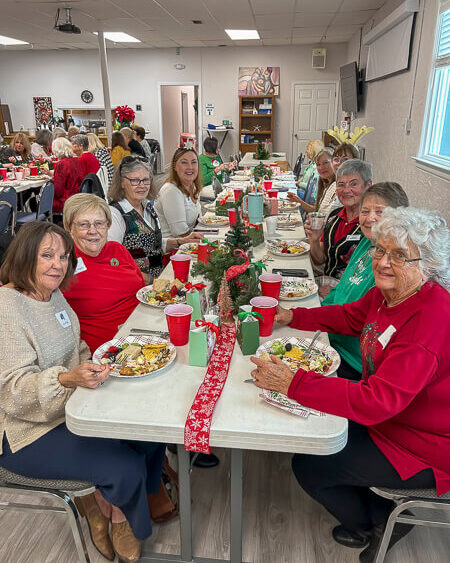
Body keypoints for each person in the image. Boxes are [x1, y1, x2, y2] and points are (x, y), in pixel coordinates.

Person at [250, 207, 450, 563]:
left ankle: (375, 523)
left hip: (421, 443)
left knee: (310, 465)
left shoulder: (429, 318)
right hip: (390, 419)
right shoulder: (392, 293)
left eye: (399, 256)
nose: (384, 262)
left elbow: (377, 401)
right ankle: (378, 509)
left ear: (429, 266)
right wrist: (294, 315)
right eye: (381, 250)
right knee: (314, 433)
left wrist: (293, 382)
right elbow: (349, 316)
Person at [0, 221, 167, 562]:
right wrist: (67, 380)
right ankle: (111, 515)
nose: (57, 264)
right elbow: (13, 392)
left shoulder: (53, 293)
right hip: (24, 432)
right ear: (25, 257)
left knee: (150, 434)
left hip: (71, 405)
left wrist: (93, 367)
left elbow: (74, 346)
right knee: (123, 465)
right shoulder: (8, 309)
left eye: (62, 256)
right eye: (46, 255)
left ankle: (117, 500)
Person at [322, 182, 409, 381]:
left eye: (380, 211)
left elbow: (361, 321)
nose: (370, 218)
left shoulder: (391, 266)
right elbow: (341, 288)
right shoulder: (365, 242)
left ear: (400, 216)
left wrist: (318, 321)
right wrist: (316, 314)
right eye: (365, 211)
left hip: (352, 364)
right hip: (331, 339)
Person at [61, 194, 144, 354]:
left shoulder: (117, 250)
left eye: (99, 223)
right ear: (70, 228)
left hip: (144, 333)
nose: (93, 231)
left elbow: (140, 290)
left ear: (108, 225)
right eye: (84, 225)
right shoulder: (63, 264)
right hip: (109, 351)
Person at [108, 156, 203, 284]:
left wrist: (180, 241)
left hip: (157, 280)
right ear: (122, 183)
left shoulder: (147, 206)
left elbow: (152, 244)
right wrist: (150, 280)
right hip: (136, 287)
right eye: (135, 180)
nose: (142, 186)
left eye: (146, 180)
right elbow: (113, 262)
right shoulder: (116, 214)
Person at [307, 159, 372, 281]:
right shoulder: (334, 217)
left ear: (368, 186)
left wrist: (335, 289)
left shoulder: (370, 225)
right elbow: (320, 260)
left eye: (353, 184)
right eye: (341, 184)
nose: (346, 190)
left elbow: (368, 278)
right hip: (326, 283)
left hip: (347, 294)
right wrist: (314, 240)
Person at [154, 147, 202, 238]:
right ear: (174, 166)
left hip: (188, 240)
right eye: (184, 162)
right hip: (173, 247)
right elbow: (180, 232)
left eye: (194, 162)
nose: (190, 167)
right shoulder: (171, 190)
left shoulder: (193, 186)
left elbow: (199, 219)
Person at [287, 148, 334, 214]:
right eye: (318, 164)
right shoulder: (325, 185)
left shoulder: (335, 187)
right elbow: (317, 210)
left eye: (325, 163)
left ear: (334, 162)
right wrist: (299, 201)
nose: (321, 167)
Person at [51, 137, 84, 213]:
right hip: (77, 197)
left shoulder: (61, 164)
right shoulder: (75, 160)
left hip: (66, 200)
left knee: (37, 201)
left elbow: (58, 191)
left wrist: (51, 182)